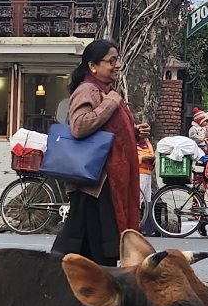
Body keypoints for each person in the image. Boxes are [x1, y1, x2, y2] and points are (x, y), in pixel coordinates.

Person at [49, 39, 146, 267]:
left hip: (105, 182)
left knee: (87, 245)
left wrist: (133, 133)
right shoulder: (88, 91)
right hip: (95, 182)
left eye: (117, 60)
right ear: (93, 66)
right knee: (94, 245)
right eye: (111, 61)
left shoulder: (106, 92)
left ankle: (68, 282)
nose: (117, 65)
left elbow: (106, 131)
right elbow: (80, 126)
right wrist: (110, 103)